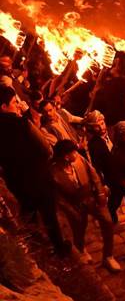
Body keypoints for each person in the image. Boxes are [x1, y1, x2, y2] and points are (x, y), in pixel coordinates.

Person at [0, 84, 69, 255]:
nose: (17, 105)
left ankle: (32, 242)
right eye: (14, 102)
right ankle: (58, 247)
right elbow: (46, 148)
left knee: (29, 207)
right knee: (49, 213)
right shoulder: (22, 123)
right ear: (3, 107)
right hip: (37, 175)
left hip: (15, 178)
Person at [50, 140, 121, 271]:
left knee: (107, 222)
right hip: (75, 204)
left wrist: (100, 193)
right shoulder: (54, 173)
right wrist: (71, 210)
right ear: (66, 156)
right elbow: (58, 198)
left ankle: (108, 256)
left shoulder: (80, 160)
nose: (76, 153)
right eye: (73, 152)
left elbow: (94, 175)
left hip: (92, 198)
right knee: (79, 229)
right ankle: (82, 249)